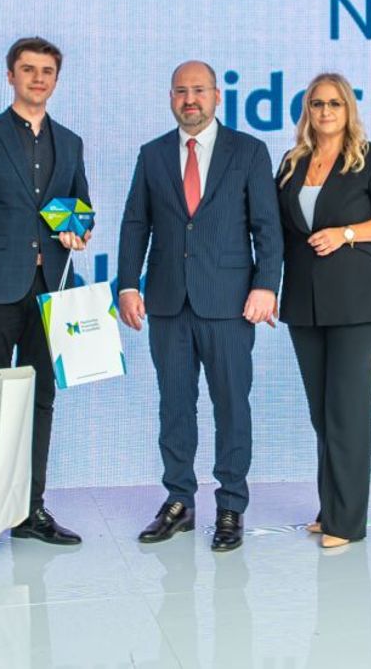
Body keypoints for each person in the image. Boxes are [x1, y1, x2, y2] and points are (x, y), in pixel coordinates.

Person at [117, 60, 283, 553]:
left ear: (216, 96)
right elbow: (135, 224)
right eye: (181, 91)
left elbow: (267, 227)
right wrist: (127, 286)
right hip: (168, 302)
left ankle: (231, 504)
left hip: (230, 304)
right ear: (171, 98)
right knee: (174, 406)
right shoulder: (152, 155)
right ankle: (179, 502)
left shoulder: (248, 151)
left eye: (199, 91)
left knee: (231, 405)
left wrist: (266, 285)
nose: (190, 100)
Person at [0, 36, 91, 559]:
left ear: (56, 79)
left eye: (46, 71)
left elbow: (81, 206)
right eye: (28, 69)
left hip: (49, 293)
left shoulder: (70, 142)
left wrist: (78, 229)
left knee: (40, 401)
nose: (38, 78)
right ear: (11, 76)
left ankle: (30, 511)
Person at [275, 73, 371, 549]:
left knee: (347, 413)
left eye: (335, 103)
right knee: (322, 414)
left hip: (355, 303)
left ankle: (347, 523)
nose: (326, 111)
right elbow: (275, 228)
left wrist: (346, 233)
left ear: (348, 109)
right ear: (307, 111)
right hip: (304, 303)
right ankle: (331, 506)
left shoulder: (370, 158)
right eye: (317, 104)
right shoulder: (292, 163)